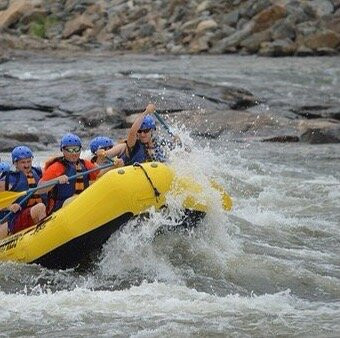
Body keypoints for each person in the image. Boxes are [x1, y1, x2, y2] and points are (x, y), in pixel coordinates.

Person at [38, 133, 114, 215]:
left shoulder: (85, 164)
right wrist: (57, 180)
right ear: (62, 150)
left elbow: (100, 175)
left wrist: (113, 166)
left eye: (77, 149)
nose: (74, 153)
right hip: (61, 207)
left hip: (81, 203)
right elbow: (40, 189)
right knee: (75, 200)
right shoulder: (57, 167)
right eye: (70, 150)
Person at [99, 104, 179, 165]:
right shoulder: (133, 145)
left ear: (152, 130)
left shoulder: (160, 143)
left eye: (146, 131)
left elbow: (177, 149)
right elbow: (132, 132)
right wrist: (146, 112)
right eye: (140, 131)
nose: (142, 134)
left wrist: (178, 141)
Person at [0, 146, 47, 239]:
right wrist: (9, 207)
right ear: (15, 163)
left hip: (33, 213)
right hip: (17, 217)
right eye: (23, 162)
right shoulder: (7, 180)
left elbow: (51, 168)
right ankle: (44, 237)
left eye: (29, 161)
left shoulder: (37, 172)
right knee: (40, 207)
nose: (27, 165)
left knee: (42, 207)